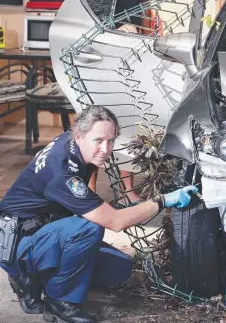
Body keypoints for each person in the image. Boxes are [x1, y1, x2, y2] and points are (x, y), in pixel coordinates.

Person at [0, 105, 197, 323]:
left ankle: (41, 280)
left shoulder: (74, 144)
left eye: (111, 140)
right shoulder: (63, 174)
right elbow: (115, 222)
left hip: (40, 230)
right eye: (99, 140)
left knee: (118, 268)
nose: (106, 148)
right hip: (18, 243)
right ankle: (58, 302)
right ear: (79, 135)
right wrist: (163, 200)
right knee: (88, 228)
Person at [76, 0, 150, 202]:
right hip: (104, 57)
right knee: (99, 123)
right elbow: (86, 20)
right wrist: (116, 29)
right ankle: (90, 193)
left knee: (130, 120)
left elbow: (143, 2)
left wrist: (152, 25)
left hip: (137, 51)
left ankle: (128, 193)